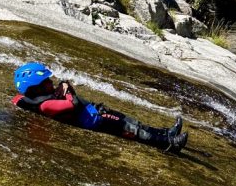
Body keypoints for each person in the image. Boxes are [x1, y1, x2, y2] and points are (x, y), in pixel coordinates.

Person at [11, 62, 188, 153]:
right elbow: (72, 105)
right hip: (94, 120)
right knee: (132, 128)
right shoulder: (45, 105)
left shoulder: (33, 98)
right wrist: (67, 90)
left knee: (133, 122)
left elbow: (17, 99)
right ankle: (170, 145)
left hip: (95, 112)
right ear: (36, 87)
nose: (51, 82)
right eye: (47, 81)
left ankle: (167, 133)